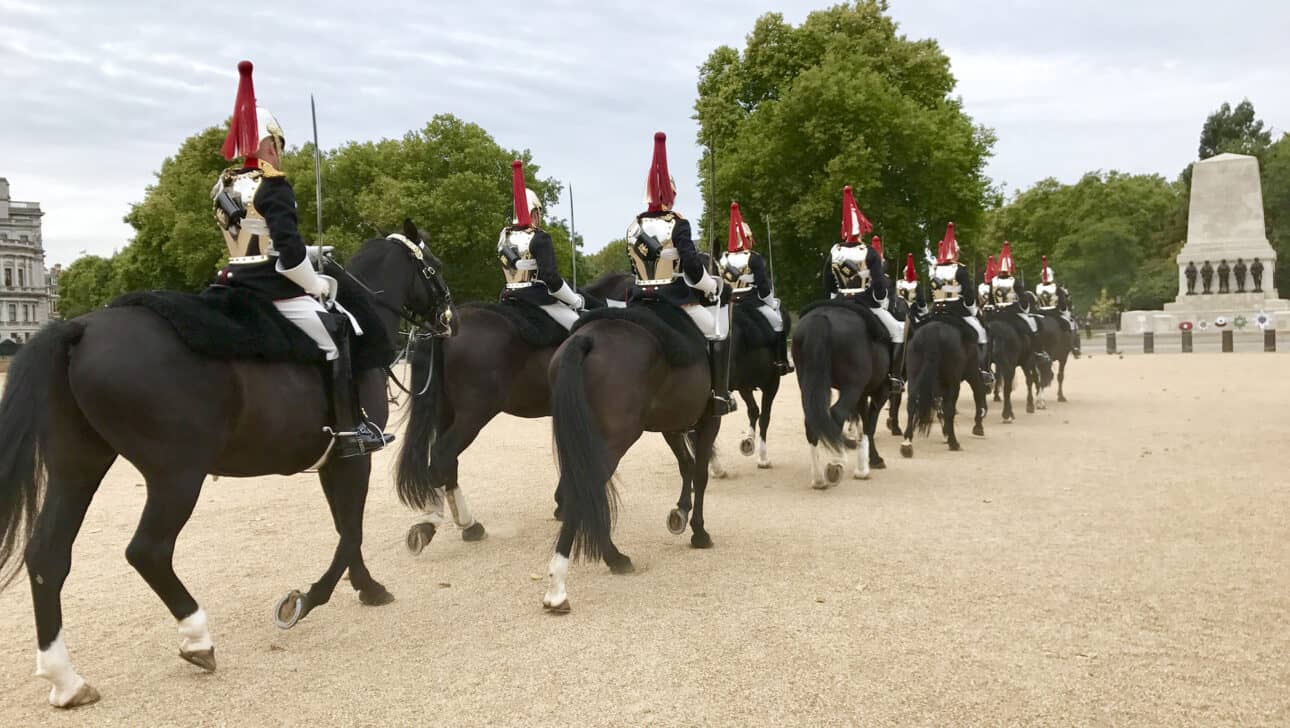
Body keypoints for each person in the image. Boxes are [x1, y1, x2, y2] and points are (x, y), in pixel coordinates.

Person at [210, 61, 390, 458]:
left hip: (232, 280)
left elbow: (255, 240)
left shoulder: (223, 185)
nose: (278, 152)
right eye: (277, 144)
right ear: (270, 144)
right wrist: (316, 282)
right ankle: (350, 428)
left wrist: (309, 252)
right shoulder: (274, 185)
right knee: (338, 330)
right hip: (272, 287)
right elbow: (287, 260)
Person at [625, 132, 734, 416]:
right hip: (675, 300)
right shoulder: (678, 223)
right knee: (717, 330)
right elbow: (693, 270)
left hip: (639, 300)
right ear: (670, 195)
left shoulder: (633, 227)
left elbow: (632, 268)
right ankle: (719, 394)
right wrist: (712, 287)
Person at [822, 185, 904, 390]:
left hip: (839, 301)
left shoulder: (835, 251)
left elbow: (827, 281)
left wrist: (836, 297)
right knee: (898, 332)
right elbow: (878, 283)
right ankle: (895, 377)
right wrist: (879, 299)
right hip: (866, 303)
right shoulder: (869, 251)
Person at [498, 160, 583, 329]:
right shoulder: (540, 237)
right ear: (534, 212)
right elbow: (551, 278)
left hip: (507, 297)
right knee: (578, 327)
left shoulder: (504, 236)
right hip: (535, 300)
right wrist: (576, 300)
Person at [719, 201, 792, 375]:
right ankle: (781, 362)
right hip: (751, 302)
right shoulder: (753, 258)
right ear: (747, 238)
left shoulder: (723, 259)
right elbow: (763, 287)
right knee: (778, 322)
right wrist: (771, 302)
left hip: (728, 304)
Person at [929, 223, 993, 386]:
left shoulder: (934, 270)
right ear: (956, 253)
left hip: (935, 311)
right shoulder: (960, 270)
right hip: (957, 310)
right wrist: (972, 310)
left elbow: (928, 293)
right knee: (981, 333)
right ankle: (983, 370)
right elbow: (969, 296)